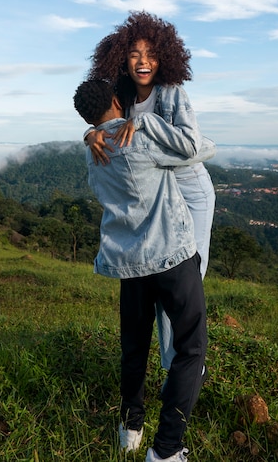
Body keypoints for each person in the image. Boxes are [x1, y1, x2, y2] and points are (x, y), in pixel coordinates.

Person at [73, 79, 215, 462]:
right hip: (171, 256)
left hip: (130, 263)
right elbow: (202, 149)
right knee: (191, 347)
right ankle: (167, 448)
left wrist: (91, 133)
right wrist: (150, 123)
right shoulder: (141, 138)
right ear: (119, 101)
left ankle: (130, 428)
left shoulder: (93, 151)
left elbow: (100, 136)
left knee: (134, 348)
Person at [85, 11, 216, 371]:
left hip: (190, 191)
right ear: (121, 60)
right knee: (160, 281)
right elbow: (106, 124)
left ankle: (185, 368)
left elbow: (190, 145)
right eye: (134, 55)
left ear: (165, 57)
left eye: (151, 54)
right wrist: (91, 133)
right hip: (158, 196)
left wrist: (145, 121)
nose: (143, 62)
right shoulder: (123, 96)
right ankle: (177, 366)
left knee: (185, 284)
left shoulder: (171, 93)